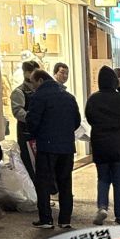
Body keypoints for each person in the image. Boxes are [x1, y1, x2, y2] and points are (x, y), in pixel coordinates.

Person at [85, 66, 120, 228]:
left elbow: (89, 118)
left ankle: (102, 207)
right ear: (115, 82)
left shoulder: (94, 99)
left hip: (101, 145)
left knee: (103, 179)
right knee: (119, 182)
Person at [25, 70, 80, 229]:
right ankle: (65, 219)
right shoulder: (68, 97)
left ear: (40, 80)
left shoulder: (39, 96)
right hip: (67, 146)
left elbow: (33, 120)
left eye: (33, 82)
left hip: (47, 146)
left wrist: (36, 133)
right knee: (65, 182)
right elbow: (76, 122)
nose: (32, 86)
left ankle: (46, 219)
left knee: (43, 182)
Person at [10, 60, 40, 180]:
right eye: (34, 72)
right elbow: (18, 112)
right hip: (27, 134)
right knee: (30, 164)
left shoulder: (39, 90)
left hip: (39, 134)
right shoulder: (19, 92)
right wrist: (33, 118)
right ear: (26, 73)